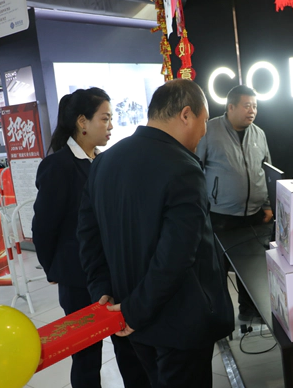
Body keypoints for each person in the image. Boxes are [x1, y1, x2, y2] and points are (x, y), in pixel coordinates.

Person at [78, 79, 234, 388]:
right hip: (177, 322)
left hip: (124, 317)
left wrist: (103, 292)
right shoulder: (183, 167)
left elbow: (88, 235)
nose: (204, 132)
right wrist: (135, 310)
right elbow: (176, 256)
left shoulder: (105, 161)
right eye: (204, 121)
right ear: (186, 115)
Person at [32, 88, 148, 388]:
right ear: (82, 122)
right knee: (86, 355)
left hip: (115, 272)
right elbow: (44, 227)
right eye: (104, 119)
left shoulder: (106, 161)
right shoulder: (58, 165)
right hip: (78, 277)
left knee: (129, 348)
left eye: (111, 119)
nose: (111, 126)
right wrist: (54, 270)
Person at [196, 84, 272, 321]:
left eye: (255, 106)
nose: (252, 111)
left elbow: (266, 171)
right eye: (247, 106)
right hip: (220, 215)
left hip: (254, 214)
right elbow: (195, 168)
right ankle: (218, 318)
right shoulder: (209, 130)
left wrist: (268, 204)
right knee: (216, 270)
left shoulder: (259, 134)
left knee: (252, 268)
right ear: (230, 107)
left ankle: (249, 311)